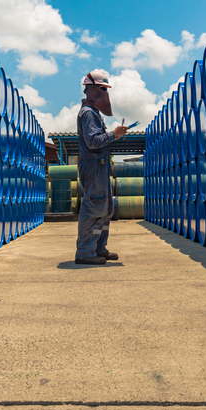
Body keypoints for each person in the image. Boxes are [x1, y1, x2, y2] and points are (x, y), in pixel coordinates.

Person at [74, 71, 128, 265]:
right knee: (93, 208)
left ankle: (98, 248)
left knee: (105, 209)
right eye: (102, 88)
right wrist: (114, 134)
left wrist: (114, 135)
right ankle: (85, 252)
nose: (105, 93)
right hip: (93, 166)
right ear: (91, 89)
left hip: (99, 166)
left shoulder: (94, 112)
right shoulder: (88, 113)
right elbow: (93, 141)